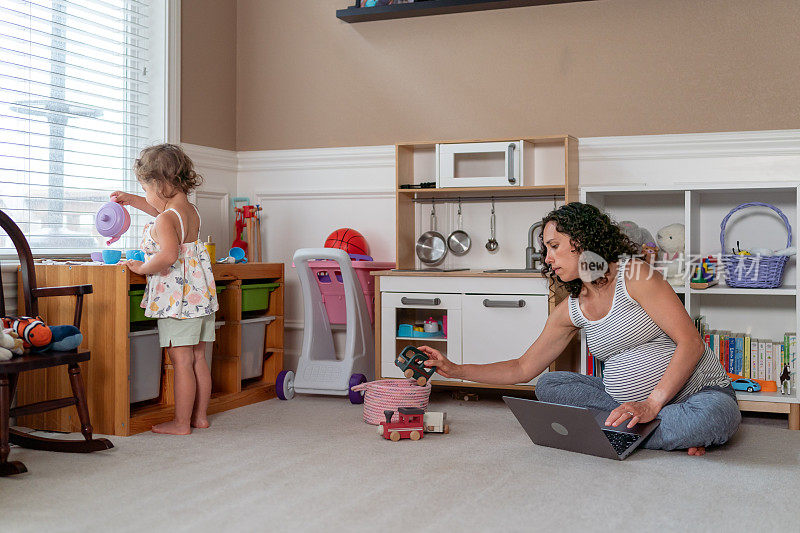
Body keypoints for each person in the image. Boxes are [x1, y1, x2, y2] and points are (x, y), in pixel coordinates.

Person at [419, 202, 740, 456]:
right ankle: (648, 432)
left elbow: (691, 343)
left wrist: (651, 404)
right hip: (625, 404)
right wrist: (455, 368)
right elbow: (522, 367)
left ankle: (623, 431)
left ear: (582, 241)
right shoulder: (570, 310)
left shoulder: (635, 276)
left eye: (554, 246)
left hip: (697, 395)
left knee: (712, 417)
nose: (548, 258)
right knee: (550, 384)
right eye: (546, 249)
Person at [111, 143, 218, 435]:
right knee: (198, 358)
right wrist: (132, 200)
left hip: (178, 301)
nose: (146, 196)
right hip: (200, 298)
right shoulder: (189, 211)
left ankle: (181, 423)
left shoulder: (166, 218)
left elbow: (169, 254)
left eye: (145, 189)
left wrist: (143, 267)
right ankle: (200, 417)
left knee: (180, 361)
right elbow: (161, 212)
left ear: (159, 184)